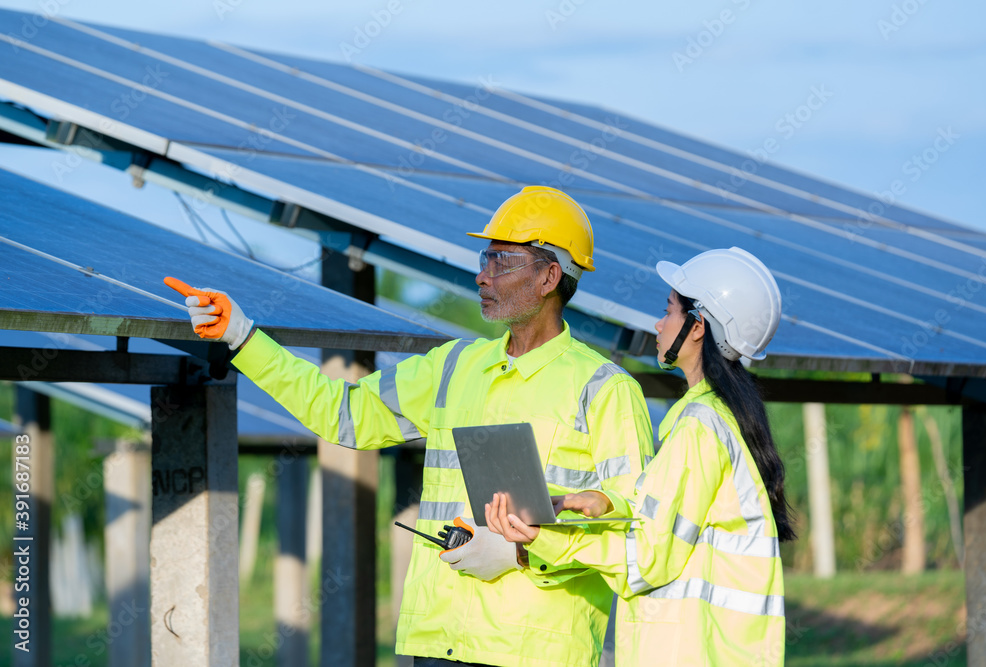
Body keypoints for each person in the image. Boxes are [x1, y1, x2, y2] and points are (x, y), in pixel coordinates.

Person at [166, 185, 655, 667]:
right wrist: (243, 337)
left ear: (550, 277)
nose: (482, 277)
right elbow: (342, 413)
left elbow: (637, 529)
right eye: (484, 259)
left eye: (501, 262)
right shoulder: (453, 367)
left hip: (535, 653)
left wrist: (526, 554)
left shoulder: (604, 389)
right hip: (440, 643)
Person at [485, 247, 796, 666]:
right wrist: (607, 503)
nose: (659, 323)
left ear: (698, 326)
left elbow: (645, 560)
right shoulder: (718, 417)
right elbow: (673, 528)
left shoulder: (699, 428)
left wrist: (545, 538)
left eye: (668, 310)